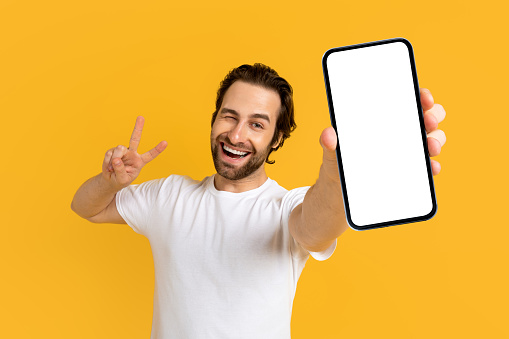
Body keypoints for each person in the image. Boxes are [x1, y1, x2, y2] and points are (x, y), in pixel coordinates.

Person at [71, 63, 446, 338]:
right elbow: (86, 207)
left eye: (256, 124)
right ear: (214, 119)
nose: (236, 134)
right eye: (229, 116)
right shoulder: (169, 195)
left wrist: (334, 176)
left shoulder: (287, 207)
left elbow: (315, 229)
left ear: (276, 139)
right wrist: (109, 181)